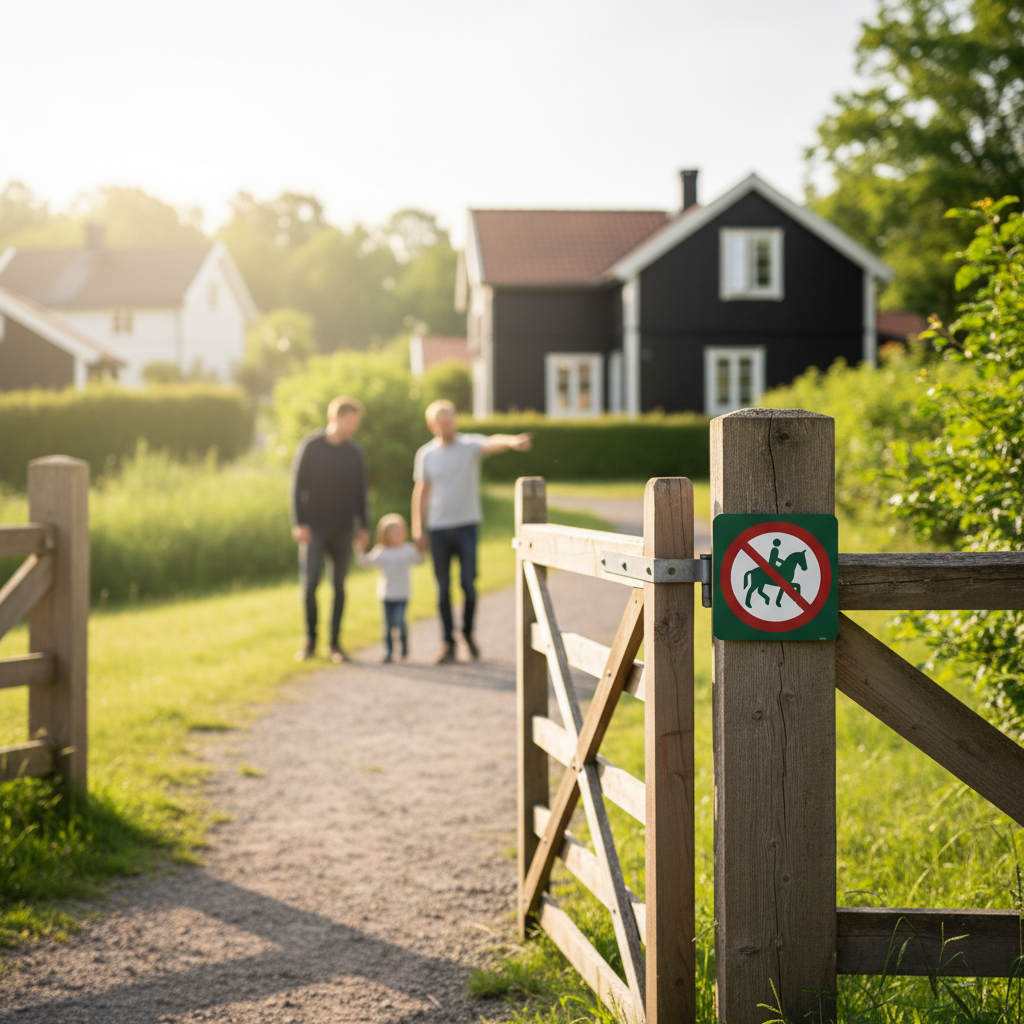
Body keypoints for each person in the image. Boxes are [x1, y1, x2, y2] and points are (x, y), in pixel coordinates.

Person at [411, 399, 531, 663]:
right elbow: (421, 492)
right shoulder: (426, 454)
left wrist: (512, 442)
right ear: (432, 425)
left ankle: (467, 633)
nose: (447, 425)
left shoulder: (469, 446)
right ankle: (448, 643)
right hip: (438, 529)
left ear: (455, 420)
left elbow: (493, 441)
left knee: (468, 584)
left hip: (467, 526)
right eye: (441, 422)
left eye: (450, 420)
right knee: (442, 590)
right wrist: (417, 527)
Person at [290, 395, 370, 663]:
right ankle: (310, 640)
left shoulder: (354, 452)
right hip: (314, 529)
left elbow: (361, 491)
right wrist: (299, 522)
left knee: (339, 586)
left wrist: (365, 525)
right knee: (310, 584)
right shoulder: (310, 447)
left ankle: (335, 644)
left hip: (343, 529)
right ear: (334, 418)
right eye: (349, 422)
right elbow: (296, 486)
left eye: (355, 423)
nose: (352, 428)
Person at [354, 513, 424, 663]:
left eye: (399, 532)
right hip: (386, 594)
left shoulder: (407, 550)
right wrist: (359, 550)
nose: (397, 536)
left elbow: (420, 560)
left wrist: (422, 547)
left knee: (399, 621)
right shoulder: (382, 552)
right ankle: (389, 652)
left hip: (402, 594)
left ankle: (404, 647)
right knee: (388, 625)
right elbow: (366, 563)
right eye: (393, 533)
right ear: (385, 535)